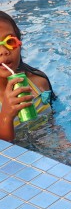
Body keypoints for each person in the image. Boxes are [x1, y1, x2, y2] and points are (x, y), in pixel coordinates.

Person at [0, 10, 56, 141]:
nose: (3, 51)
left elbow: (53, 123)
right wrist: (6, 116)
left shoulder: (39, 82)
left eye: (10, 42)